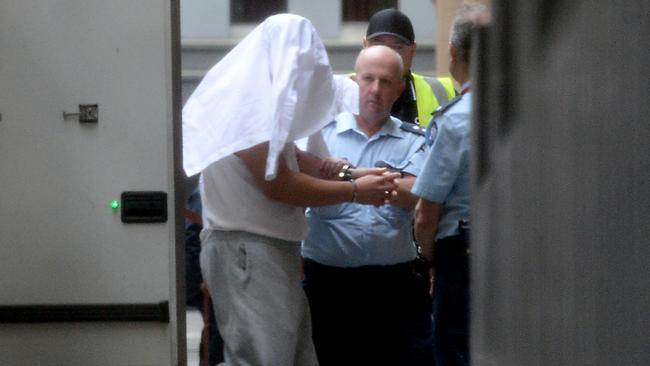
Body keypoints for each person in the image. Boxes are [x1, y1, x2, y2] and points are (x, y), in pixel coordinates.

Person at [182, 14, 400, 366]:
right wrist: (356, 190)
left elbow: (293, 156)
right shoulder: (245, 102)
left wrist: (346, 172)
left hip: (262, 250)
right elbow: (279, 183)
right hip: (247, 251)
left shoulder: (253, 94)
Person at [301, 45, 434, 366]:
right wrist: (373, 182)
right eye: (368, 79)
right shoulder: (319, 137)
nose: (375, 90)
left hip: (393, 288)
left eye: (386, 82)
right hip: (328, 286)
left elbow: (414, 191)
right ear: (354, 81)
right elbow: (304, 189)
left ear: (399, 89)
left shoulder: (416, 138)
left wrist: (341, 179)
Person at [411, 5, 491, 366]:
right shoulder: (530, 110)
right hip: (520, 247)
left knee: (454, 351)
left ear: (453, 53)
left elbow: (427, 213)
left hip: (463, 254)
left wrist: (428, 260)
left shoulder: (456, 120)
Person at [360, 8, 457, 127]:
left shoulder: (442, 92)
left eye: (397, 47)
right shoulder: (342, 90)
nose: (387, 55)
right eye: (378, 45)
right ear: (364, 46)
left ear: (412, 50)